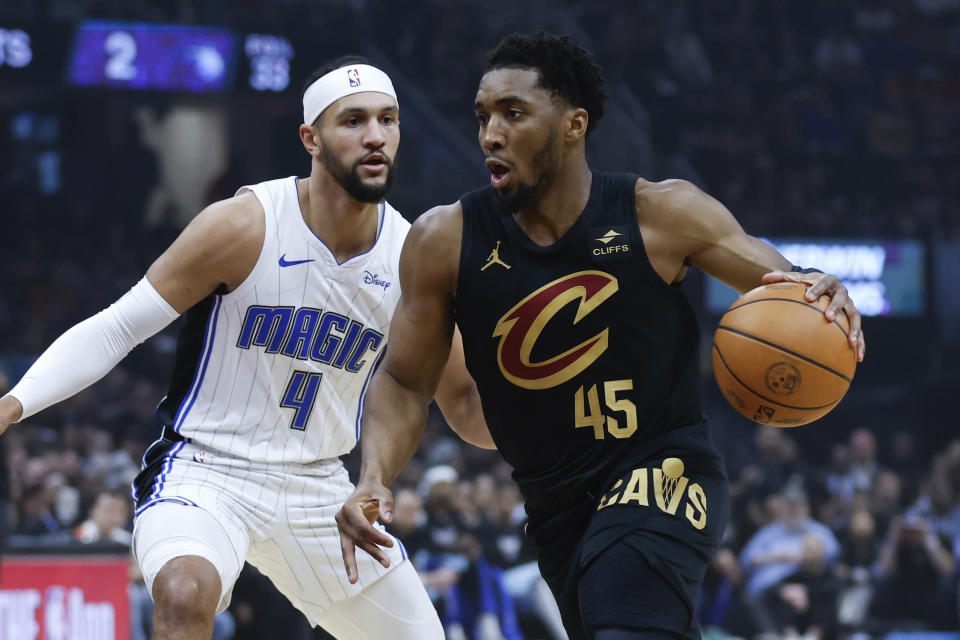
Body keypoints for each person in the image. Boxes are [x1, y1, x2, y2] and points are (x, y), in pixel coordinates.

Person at [336, 32, 866, 640]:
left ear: (573, 125)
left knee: (623, 612)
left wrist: (820, 287)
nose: (490, 135)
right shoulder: (444, 240)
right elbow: (404, 380)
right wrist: (374, 475)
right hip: (556, 504)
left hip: (664, 470)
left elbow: (778, 280)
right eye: (483, 117)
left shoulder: (660, 213)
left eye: (514, 113)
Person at [0, 55, 493, 640]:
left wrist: (556, 424)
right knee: (185, 595)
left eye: (388, 120)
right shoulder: (244, 225)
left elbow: (462, 401)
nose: (375, 136)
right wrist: (13, 404)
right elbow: (118, 327)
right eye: (354, 120)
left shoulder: (413, 257)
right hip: (208, 468)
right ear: (311, 138)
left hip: (321, 486)